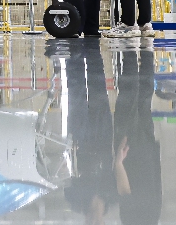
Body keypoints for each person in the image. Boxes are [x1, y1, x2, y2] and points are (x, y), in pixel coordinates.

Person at [55, 39, 117, 223]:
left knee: (76, 92)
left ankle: (74, 49)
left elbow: (69, 180)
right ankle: (92, 50)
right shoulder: (112, 198)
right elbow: (118, 171)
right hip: (104, 140)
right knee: (98, 90)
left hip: (80, 143)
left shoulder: (75, 202)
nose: (94, 219)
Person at [113, 47, 162, 224]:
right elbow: (125, 192)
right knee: (129, 97)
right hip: (130, 153)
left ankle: (147, 49)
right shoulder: (133, 221)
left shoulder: (155, 218)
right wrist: (118, 162)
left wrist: (155, 151)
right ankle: (130, 48)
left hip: (148, 152)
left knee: (144, 98)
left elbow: (158, 183)